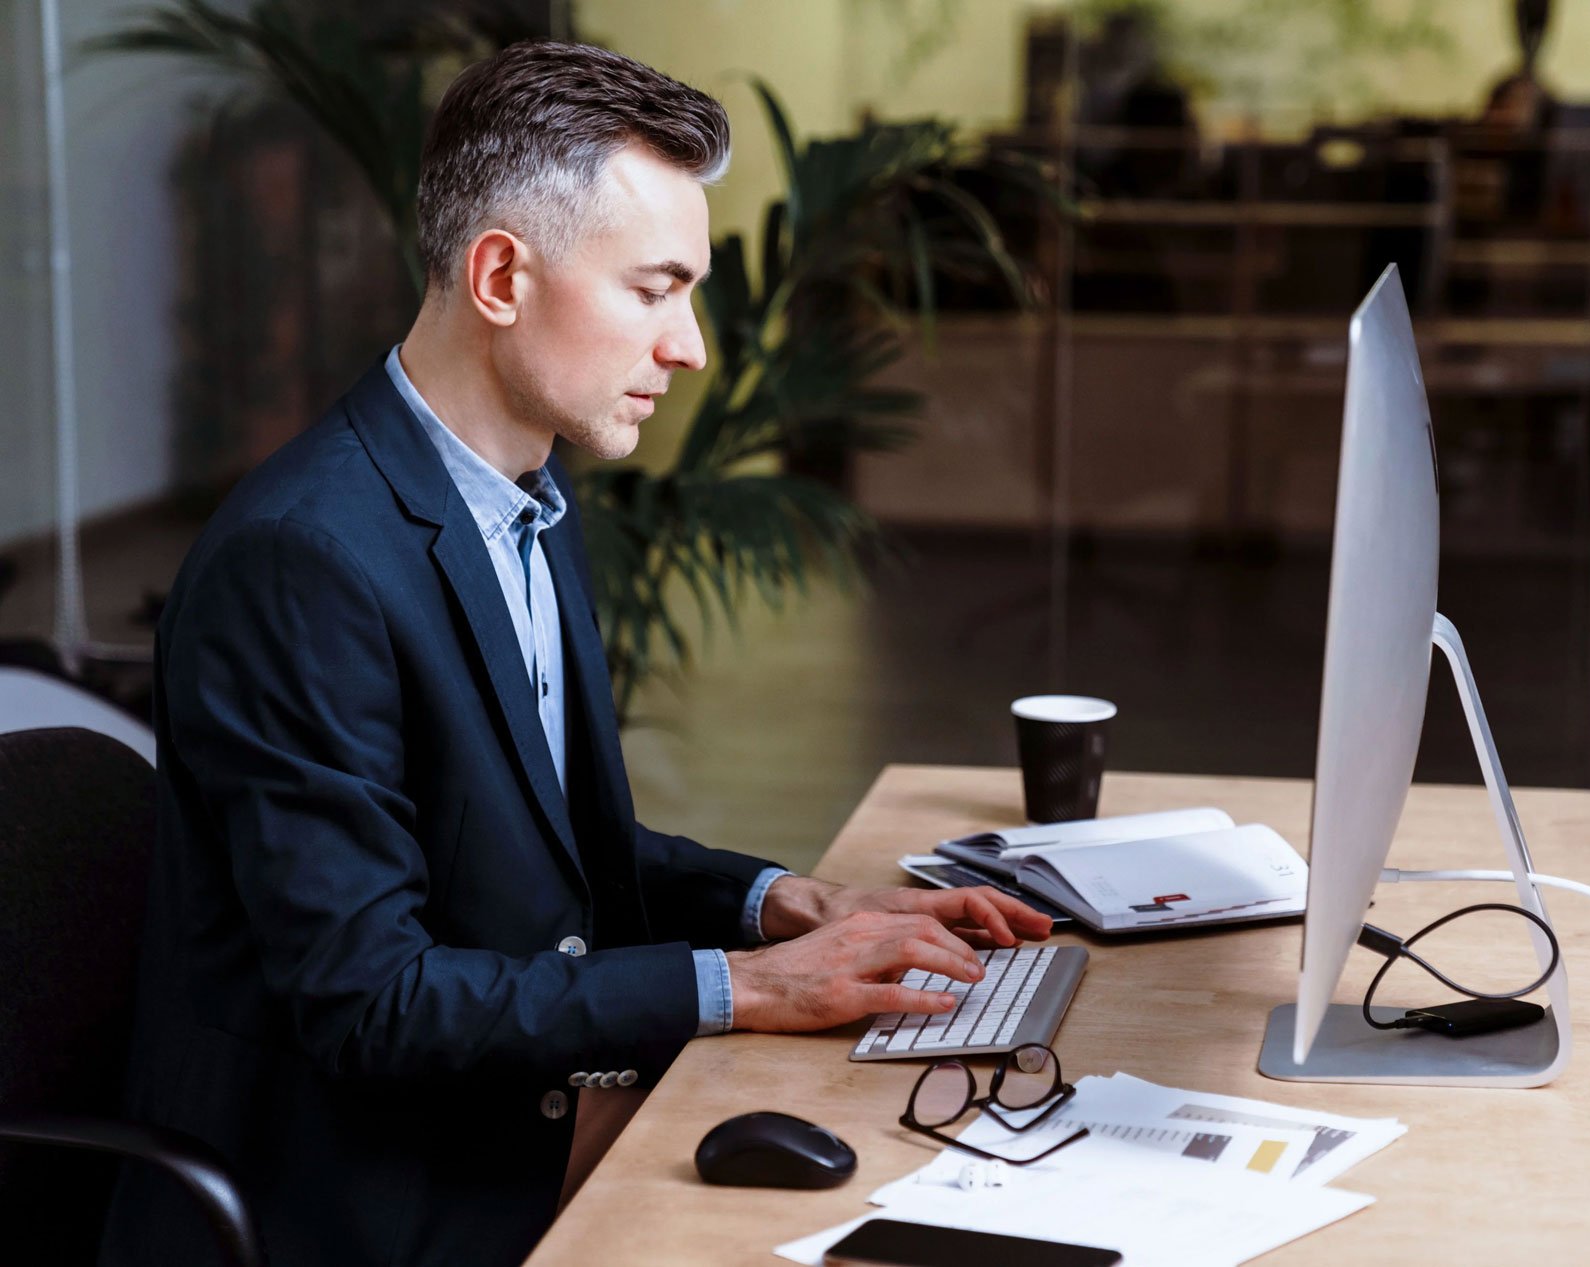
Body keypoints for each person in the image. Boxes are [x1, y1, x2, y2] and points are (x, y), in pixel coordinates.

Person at [100, 41, 1050, 1267]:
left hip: (498, 1118)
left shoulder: (526, 498)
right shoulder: (303, 562)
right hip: (363, 1197)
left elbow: (525, 851)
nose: (691, 347)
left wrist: (782, 904)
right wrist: (751, 989)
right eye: (655, 290)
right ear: (501, 274)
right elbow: (368, 999)